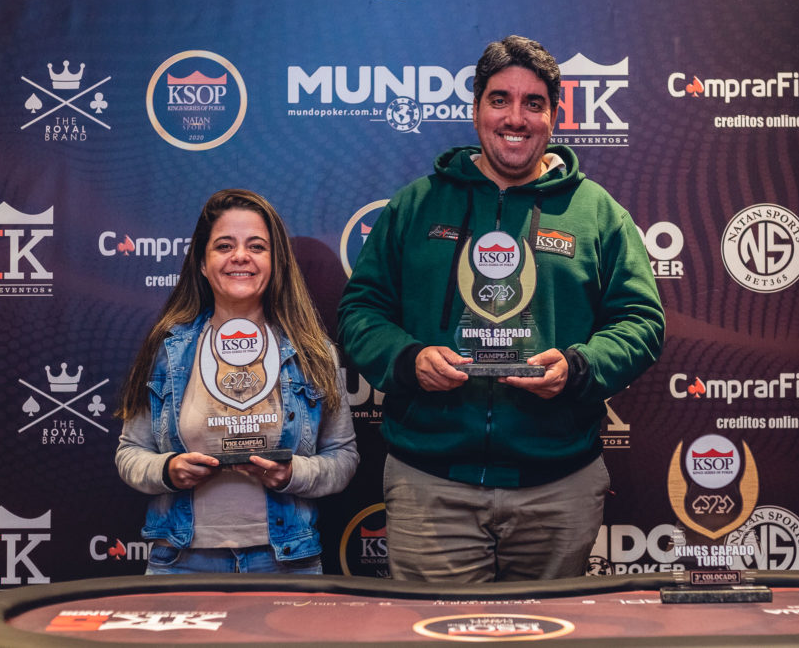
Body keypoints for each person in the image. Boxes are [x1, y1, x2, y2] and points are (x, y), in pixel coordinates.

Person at [337, 35, 664, 582]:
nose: (515, 118)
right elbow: (360, 310)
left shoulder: (597, 212)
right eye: (499, 100)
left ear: (554, 115)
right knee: (431, 630)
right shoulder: (417, 206)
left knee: (550, 630)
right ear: (475, 110)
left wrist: (579, 367)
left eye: (533, 103)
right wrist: (409, 359)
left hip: (558, 488)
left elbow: (642, 322)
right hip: (431, 487)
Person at [116, 188, 358, 574]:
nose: (240, 256)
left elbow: (342, 458)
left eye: (257, 246)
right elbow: (131, 452)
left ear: (276, 262)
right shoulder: (168, 350)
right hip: (181, 563)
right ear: (202, 262)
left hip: (285, 562)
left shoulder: (313, 353)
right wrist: (168, 470)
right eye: (224, 246)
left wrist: (292, 474)